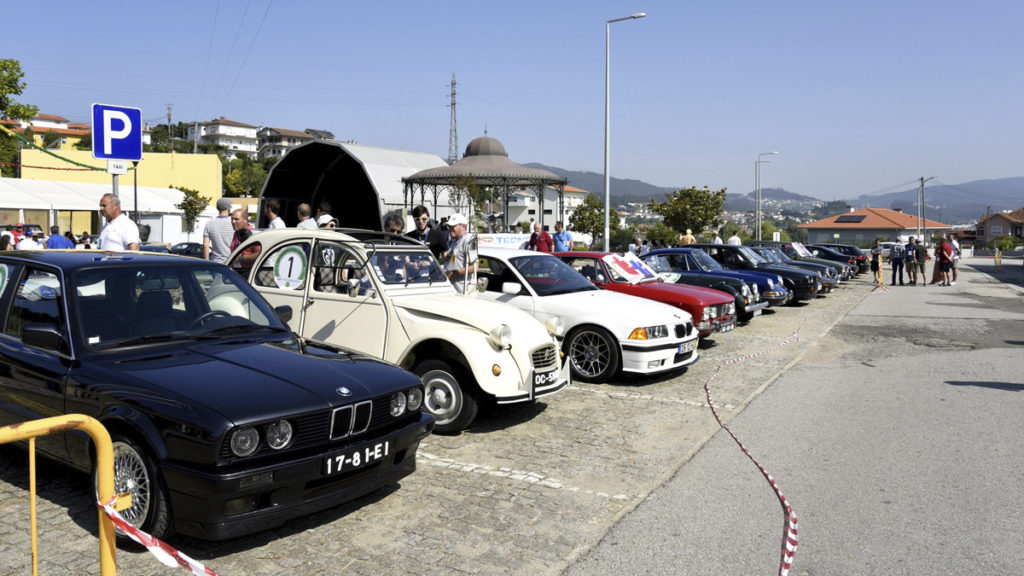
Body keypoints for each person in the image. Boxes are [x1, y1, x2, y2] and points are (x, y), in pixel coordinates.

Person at [442, 213, 477, 293]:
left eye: (453, 226)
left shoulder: (469, 240)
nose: (449, 229)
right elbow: (452, 261)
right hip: (451, 291)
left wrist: (454, 272)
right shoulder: (455, 241)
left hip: (462, 293)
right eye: (449, 226)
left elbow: (475, 267)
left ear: (463, 226)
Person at [203, 197, 235, 263]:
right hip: (232, 261)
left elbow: (205, 245)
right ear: (228, 208)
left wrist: (206, 262)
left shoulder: (209, 223)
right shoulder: (234, 223)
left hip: (216, 262)